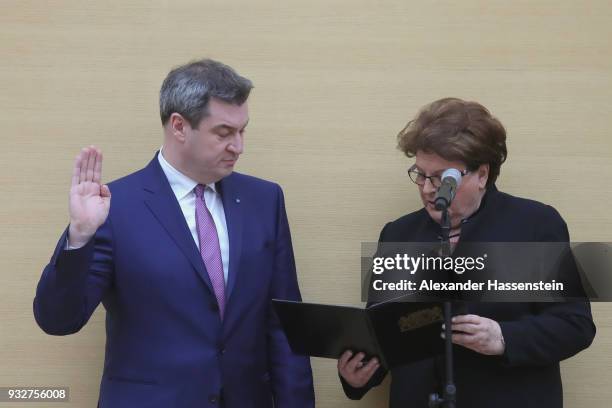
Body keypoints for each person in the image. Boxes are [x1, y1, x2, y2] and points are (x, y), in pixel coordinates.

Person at [34, 59, 315, 408]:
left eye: (243, 131)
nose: (238, 146)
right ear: (179, 126)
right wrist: (80, 237)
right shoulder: (114, 207)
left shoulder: (264, 200)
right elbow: (58, 320)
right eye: (224, 133)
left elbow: (284, 324)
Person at [337, 98, 595, 408]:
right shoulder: (398, 234)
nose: (428, 188)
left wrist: (503, 338)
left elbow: (575, 325)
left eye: (442, 178)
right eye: (420, 174)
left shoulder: (536, 225)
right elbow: (383, 333)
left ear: (482, 175)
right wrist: (358, 376)